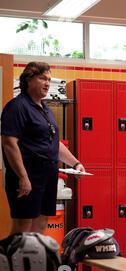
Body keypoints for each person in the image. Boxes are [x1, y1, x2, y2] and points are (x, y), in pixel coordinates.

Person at [1, 61, 85, 235]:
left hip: (47, 176)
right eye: (42, 78)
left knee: (41, 225)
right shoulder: (17, 107)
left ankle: (34, 261)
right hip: (28, 176)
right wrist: (22, 177)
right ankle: (15, 261)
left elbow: (55, 143)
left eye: (49, 79)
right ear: (29, 80)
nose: (47, 83)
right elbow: (9, 143)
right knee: (23, 228)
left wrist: (75, 164)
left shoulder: (45, 109)